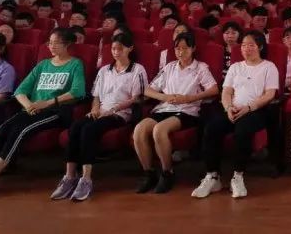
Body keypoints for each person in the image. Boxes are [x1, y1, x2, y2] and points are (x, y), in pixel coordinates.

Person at [0, 28, 85, 201]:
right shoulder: (43, 64)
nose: (52, 46)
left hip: (56, 111)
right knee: (2, 130)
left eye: (56, 43)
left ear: (68, 44)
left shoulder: (75, 64)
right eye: (50, 42)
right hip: (32, 109)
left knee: (20, 131)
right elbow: (20, 91)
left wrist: (47, 103)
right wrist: (28, 105)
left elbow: (78, 91)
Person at [50, 32, 147, 202]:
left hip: (119, 114)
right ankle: (69, 176)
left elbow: (137, 98)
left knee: (89, 130)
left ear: (130, 48)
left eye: (120, 49)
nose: (116, 52)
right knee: (75, 127)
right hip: (101, 111)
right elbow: (95, 96)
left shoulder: (137, 69)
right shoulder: (104, 70)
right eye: (114, 49)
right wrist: (95, 109)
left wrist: (114, 109)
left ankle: (86, 179)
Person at [192, 31, 278, 199]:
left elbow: (270, 95)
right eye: (244, 45)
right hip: (233, 109)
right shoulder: (235, 67)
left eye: (251, 45)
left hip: (256, 111)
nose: (246, 49)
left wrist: (249, 108)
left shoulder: (269, 67)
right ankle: (212, 176)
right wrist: (228, 107)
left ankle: (238, 176)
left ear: (260, 47)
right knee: (211, 129)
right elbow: (226, 91)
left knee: (242, 130)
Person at [133, 32, 218, 194]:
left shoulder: (200, 68)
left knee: (159, 130)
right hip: (164, 107)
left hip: (187, 111)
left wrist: (189, 98)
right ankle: (149, 173)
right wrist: (164, 97)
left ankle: (167, 173)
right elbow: (148, 90)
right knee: (139, 129)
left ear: (193, 48)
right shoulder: (170, 67)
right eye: (177, 48)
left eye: (185, 48)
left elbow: (214, 90)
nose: (180, 52)